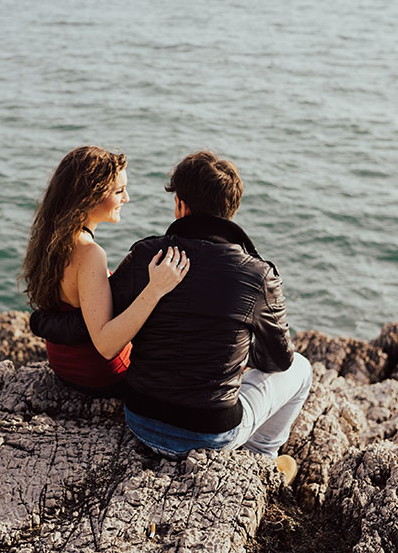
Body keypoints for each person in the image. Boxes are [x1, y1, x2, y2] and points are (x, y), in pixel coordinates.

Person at [31, 151, 311, 482]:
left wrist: (41, 321)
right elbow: (278, 361)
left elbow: (93, 320)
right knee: (301, 369)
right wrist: (232, 352)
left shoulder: (146, 256)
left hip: (140, 420)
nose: (127, 197)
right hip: (210, 436)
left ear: (180, 205)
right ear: (232, 209)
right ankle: (262, 461)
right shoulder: (259, 275)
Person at [20, 146, 189, 397]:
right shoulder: (90, 253)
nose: (126, 198)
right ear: (90, 196)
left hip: (62, 364)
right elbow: (106, 345)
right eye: (119, 191)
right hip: (101, 374)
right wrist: (155, 289)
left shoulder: (52, 238)